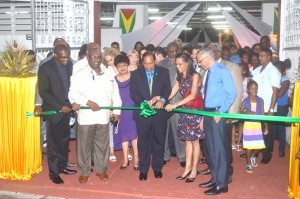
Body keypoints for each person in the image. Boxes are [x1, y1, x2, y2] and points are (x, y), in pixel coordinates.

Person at [68, 43, 122, 183]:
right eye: (93, 57)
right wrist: (88, 102)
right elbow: (73, 93)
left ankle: (101, 170)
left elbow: (115, 93)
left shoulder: (109, 72)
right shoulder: (80, 73)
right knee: (84, 146)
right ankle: (84, 171)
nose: (96, 59)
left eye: (98, 56)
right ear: (88, 57)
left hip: (103, 117)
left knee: (102, 145)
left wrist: (116, 111)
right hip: (86, 118)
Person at [197, 48, 236, 195]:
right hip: (207, 113)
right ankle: (215, 178)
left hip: (217, 114)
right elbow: (205, 95)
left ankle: (222, 183)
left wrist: (221, 111)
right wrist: (203, 116)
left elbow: (232, 93)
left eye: (200, 61)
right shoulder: (208, 72)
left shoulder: (222, 70)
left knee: (219, 150)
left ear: (207, 58)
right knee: (211, 150)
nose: (199, 64)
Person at [38, 44, 76, 184]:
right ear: (55, 55)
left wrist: (71, 104)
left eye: (67, 56)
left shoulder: (70, 65)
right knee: (53, 144)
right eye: (63, 57)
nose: (66, 60)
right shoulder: (45, 68)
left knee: (64, 141)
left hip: (68, 109)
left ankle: (62, 166)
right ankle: (53, 173)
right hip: (54, 111)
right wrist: (60, 107)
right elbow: (44, 92)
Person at [130, 51, 171, 181]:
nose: (148, 66)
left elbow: (167, 89)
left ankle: (157, 168)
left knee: (159, 141)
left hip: (159, 114)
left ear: (155, 61)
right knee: (143, 142)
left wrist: (163, 100)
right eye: (146, 63)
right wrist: (144, 102)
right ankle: (143, 170)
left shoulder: (163, 72)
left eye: (151, 63)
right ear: (142, 62)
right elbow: (133, 93)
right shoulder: (136, 74)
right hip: (143, 113)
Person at [165, 53, 204, 183]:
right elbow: (171, 92)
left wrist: (175, 104)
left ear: (187, 63)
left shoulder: (195, 76)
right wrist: (160, 100)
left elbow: (193, 95)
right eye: (176, 64)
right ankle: (187, 168)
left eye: (180, 64)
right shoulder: (180, 77)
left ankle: (194, 169)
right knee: (187, 141)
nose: (178, 66)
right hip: (185, 111)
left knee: (195, 142)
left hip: (195, 112)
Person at [159, 42, 186, 167]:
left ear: (179, 50)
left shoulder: (183, 63)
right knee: (163, 131)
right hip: (163, 102)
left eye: (174, 51)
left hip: (177, 102)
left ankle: (182, 157)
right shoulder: (161, 64)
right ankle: (165, 155)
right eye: (169, 51)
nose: (172, 53)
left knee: (178, 131)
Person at [252, 48, 281, 164]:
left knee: (266, 132)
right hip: (256, 105)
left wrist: (271, 109)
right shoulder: (257, 70)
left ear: (269, 57)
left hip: (268, 106)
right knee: (255, 130)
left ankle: (266, 154)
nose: (259, 57)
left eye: (262, 55)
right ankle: (254, 151)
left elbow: (275, 92)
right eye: (259, 56)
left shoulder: (274, 71)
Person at [114, 54, 139, 170]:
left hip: (133, 109)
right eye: (120, 66)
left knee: (134, 135)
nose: (122, 67)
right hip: (121, 110)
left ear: (128, 65)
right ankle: (125, 160)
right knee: (123, 135)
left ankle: (136, 159)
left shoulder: (134, 76)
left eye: (124, 65)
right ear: (116, 67)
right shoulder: (113, 80)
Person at [240, 80, 266, 173]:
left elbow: (263, 114)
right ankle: (248, 163)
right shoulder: (245, 100)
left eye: (256, 88)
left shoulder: (261, 100)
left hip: (258, 125)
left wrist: (266, 125)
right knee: (249, 146)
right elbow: (241, 111)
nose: (254, 90)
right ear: (247, 90)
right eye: (252, 88)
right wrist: (248, 112)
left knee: (260, 146)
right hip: (248, 125)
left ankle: (252, 156)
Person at [272, 61, 290, 157]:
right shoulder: (275, 78)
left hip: (281, 106)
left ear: (282, 71)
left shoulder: (285, 79)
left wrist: (272, 89)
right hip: (273, 105)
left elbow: (279, 94)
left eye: (277, 69)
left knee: (281, 128)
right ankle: (269, 148)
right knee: (272, 127)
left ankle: (282, 149)